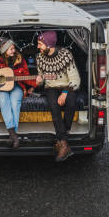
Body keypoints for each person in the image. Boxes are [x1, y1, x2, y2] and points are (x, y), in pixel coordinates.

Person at [35, 30, 80, 162]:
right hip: (51, 87)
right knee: (54, 106)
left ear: (49, 45)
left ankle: (62, 137)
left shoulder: (65, 55)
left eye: (40, 44)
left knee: (71, 103)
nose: (38, 47)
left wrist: (65, 93)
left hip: (68, 85)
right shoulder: (39, 58)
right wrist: (39, 82)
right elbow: (42, 79)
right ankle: (64, 143)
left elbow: (75, 79)